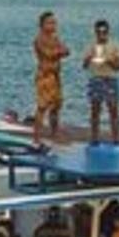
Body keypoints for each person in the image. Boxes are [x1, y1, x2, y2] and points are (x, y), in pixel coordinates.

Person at [81, 19, 119, 144]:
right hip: (96, 78)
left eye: (104, 32)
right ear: (95, 32)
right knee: (95, 109)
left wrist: (110, 61)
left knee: (113, 109)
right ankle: (94, 137)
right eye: (99, 32)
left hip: (110, 79)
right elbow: (84, 65)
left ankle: (116, 138)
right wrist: (88, 59)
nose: (101, 35)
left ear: (108, 32)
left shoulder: (115, 46)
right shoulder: (91, 46)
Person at [32, 11, 71, 141]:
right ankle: (36, 137)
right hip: (45, 76)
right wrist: (59, 52)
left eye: (54, 23)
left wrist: (59, 51)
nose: (53, 25)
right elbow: (48, 54)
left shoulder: (55, 38)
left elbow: (66, 50)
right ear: (42, 25)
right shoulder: (39, 39)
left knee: (56, 105)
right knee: (42, 106)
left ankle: (54, 133)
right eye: (50, 23)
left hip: (55, 76)